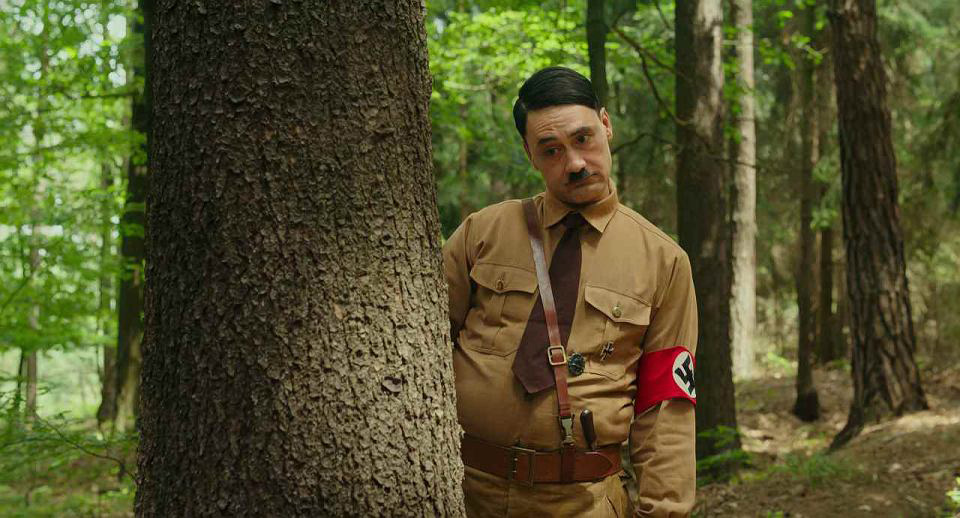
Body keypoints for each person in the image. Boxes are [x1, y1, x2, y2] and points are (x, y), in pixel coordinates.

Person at [442, 66, 698, 517]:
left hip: (582, 502)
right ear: (530, 154)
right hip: (462, 491)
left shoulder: (663, 261)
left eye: (583, 139)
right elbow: (420, 344)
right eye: (552, 150)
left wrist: (664, 512)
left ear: (606, 124)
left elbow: (665, 409)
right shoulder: (484, 232)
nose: (575, 163)